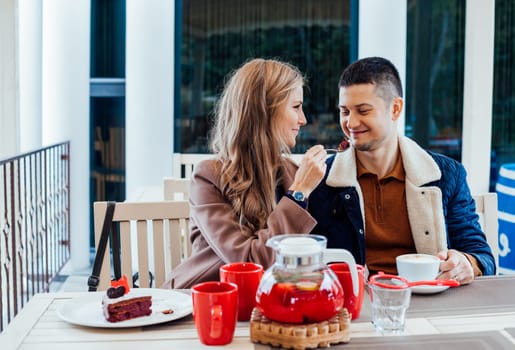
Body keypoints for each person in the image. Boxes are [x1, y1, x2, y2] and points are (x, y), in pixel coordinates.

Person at [309, 56, 496, 285]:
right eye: (345, 111)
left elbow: (482, 256)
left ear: (395, 108)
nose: (351, 123)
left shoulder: (447, 174)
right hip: (356, 305)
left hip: (430, 301)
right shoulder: (321, 179)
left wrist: (466, 263)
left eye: (363, 111)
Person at [163, 58, 327, 289]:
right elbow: (250, 264)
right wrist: (298, 194)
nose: (303, 119)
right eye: (296, 106)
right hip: (205, 303)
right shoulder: (208, 178)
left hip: (269, 301)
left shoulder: (291, 172)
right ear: (265, 111)